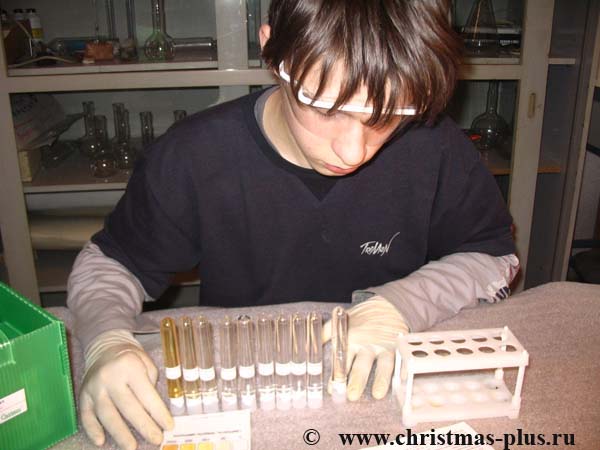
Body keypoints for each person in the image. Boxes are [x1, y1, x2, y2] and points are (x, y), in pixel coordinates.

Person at [67, 1, 519, 449]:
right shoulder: (193, 156)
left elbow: (493, 256)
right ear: (272, 51)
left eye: (386, 117)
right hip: (249, 391)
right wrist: (107, 341)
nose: (353, 151)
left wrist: (401, 306)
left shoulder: (435, 145)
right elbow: (110, 264)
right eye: (326, 109)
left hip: (377, 395)